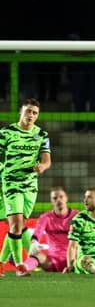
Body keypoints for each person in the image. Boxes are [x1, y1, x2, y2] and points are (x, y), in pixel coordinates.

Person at [0, 98, 51, 276]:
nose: (31, 115)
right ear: (20, 113)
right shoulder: (6, 133)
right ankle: (20, 265)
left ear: (37, 116)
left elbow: (46, 160)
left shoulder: (41, 135)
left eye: (34, 112)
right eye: (28, 111)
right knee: (15, 225)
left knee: (19, 225)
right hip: (11, 183)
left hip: (30, 186)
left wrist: (42, 167)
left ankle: (1, 262)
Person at [20, 186, 79, 273]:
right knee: (35, 254)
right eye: (55, 198)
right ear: (51, 201)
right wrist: (34, 242)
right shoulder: (46, 217)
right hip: (52, 261)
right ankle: (24, 268)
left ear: (66, 198)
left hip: (73, 260)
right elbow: (37, 233)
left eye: (61, 197)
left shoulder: (77, 216)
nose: (58, 200)